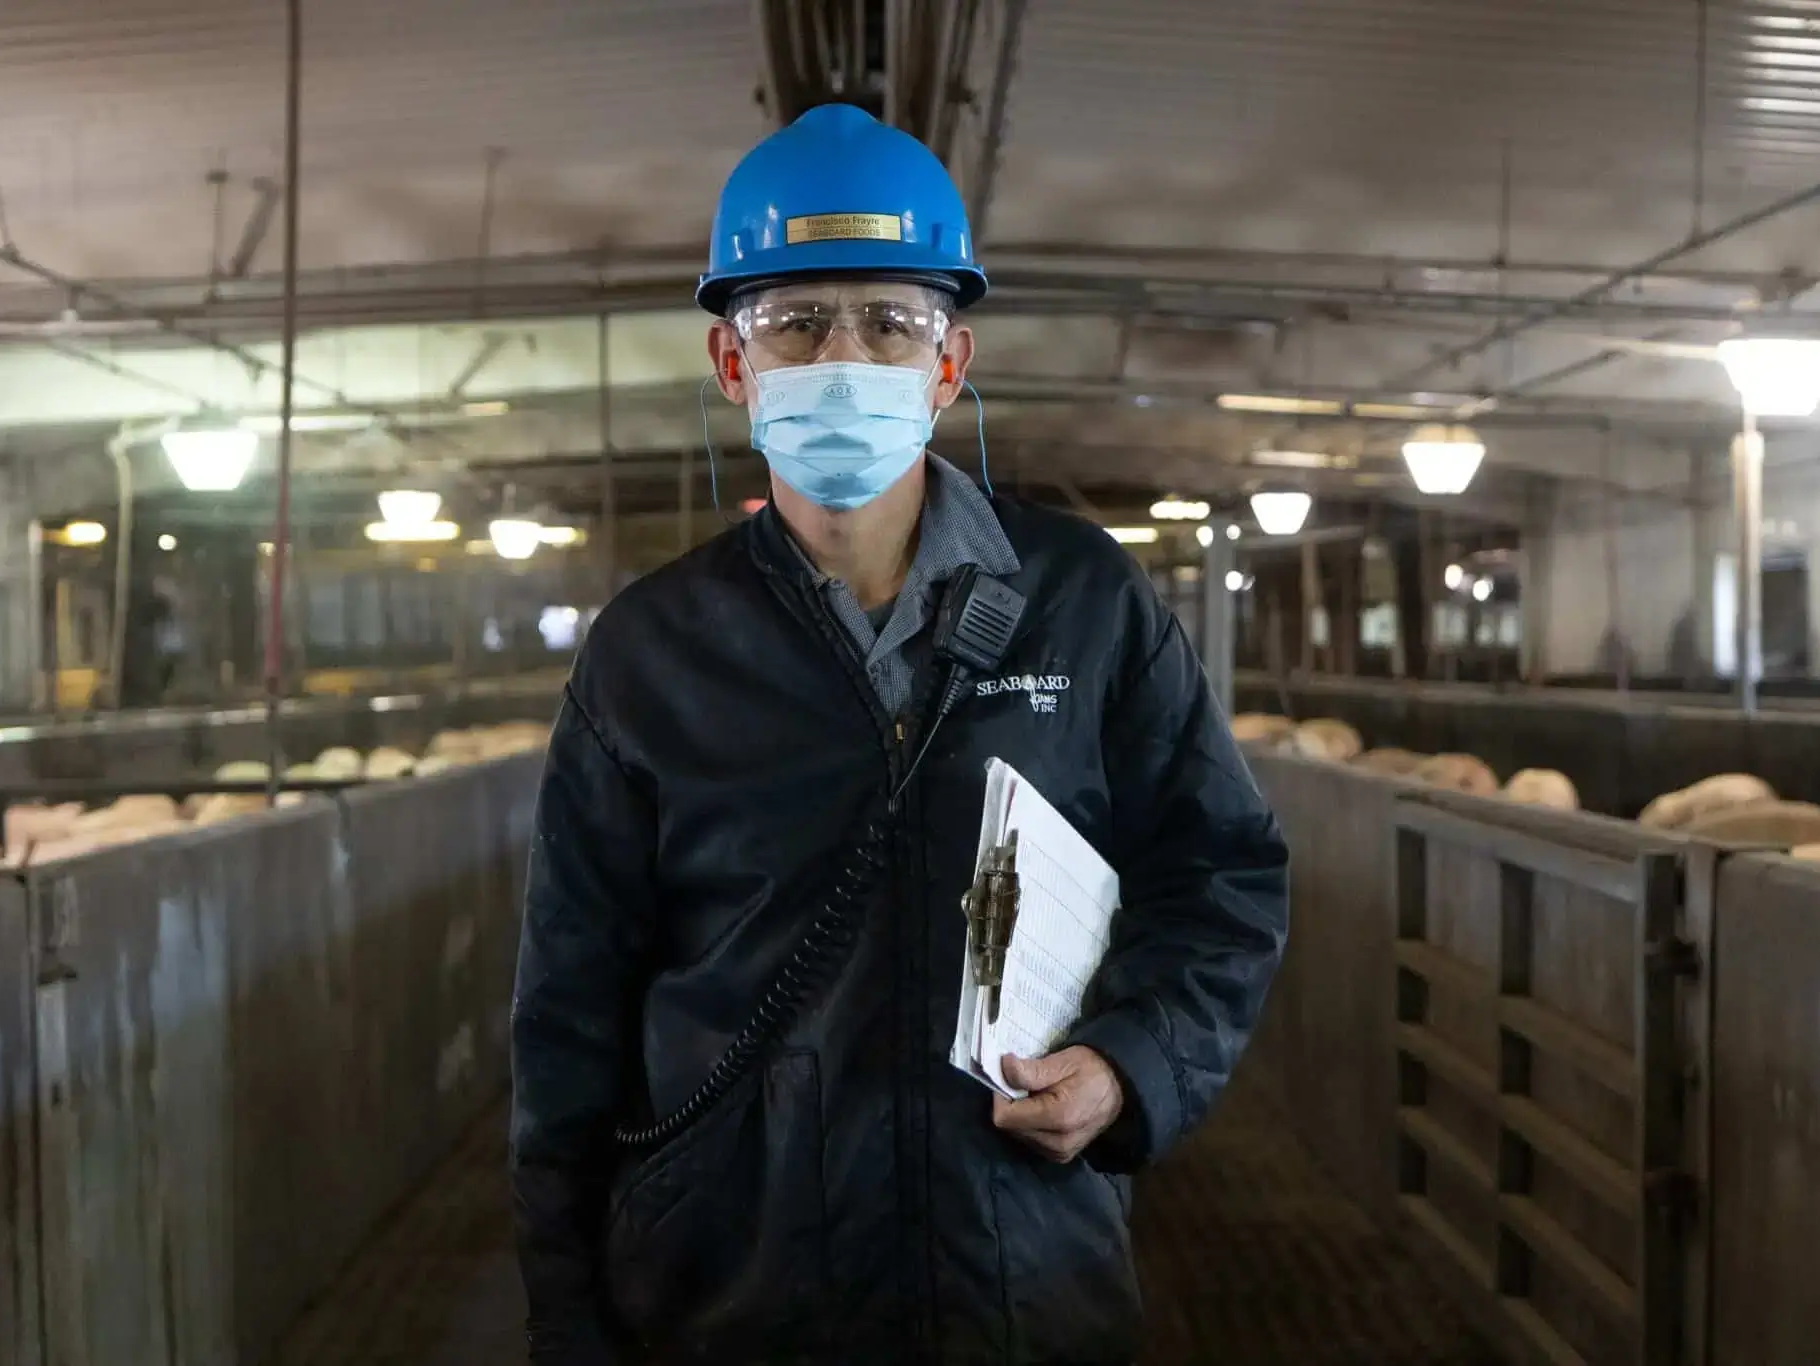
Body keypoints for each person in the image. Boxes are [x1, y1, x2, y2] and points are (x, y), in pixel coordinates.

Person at [511, 102, 1290, 1365]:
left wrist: (1129, 1065)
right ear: (732, 363)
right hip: (733, 1291)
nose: (844, 353)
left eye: (890, 320)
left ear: (949, 360)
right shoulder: (649, 651)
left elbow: (1221, 875)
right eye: (794, 320)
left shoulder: (1080, 600)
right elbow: (567, 1015)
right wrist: (564, 1319)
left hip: (1020, 1274)